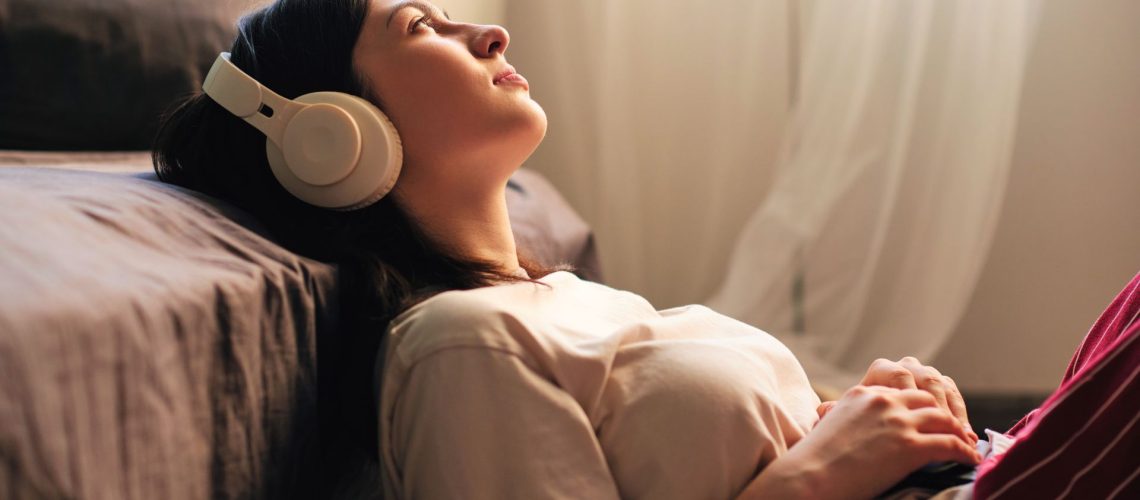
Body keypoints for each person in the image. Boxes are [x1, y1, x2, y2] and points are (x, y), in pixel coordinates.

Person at [151, 0, 1138, 498]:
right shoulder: (460, 343)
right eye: (426, 28)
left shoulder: (571, 303)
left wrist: (869, 411)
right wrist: (819, 475)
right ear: (335, 136)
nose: (489, 30)